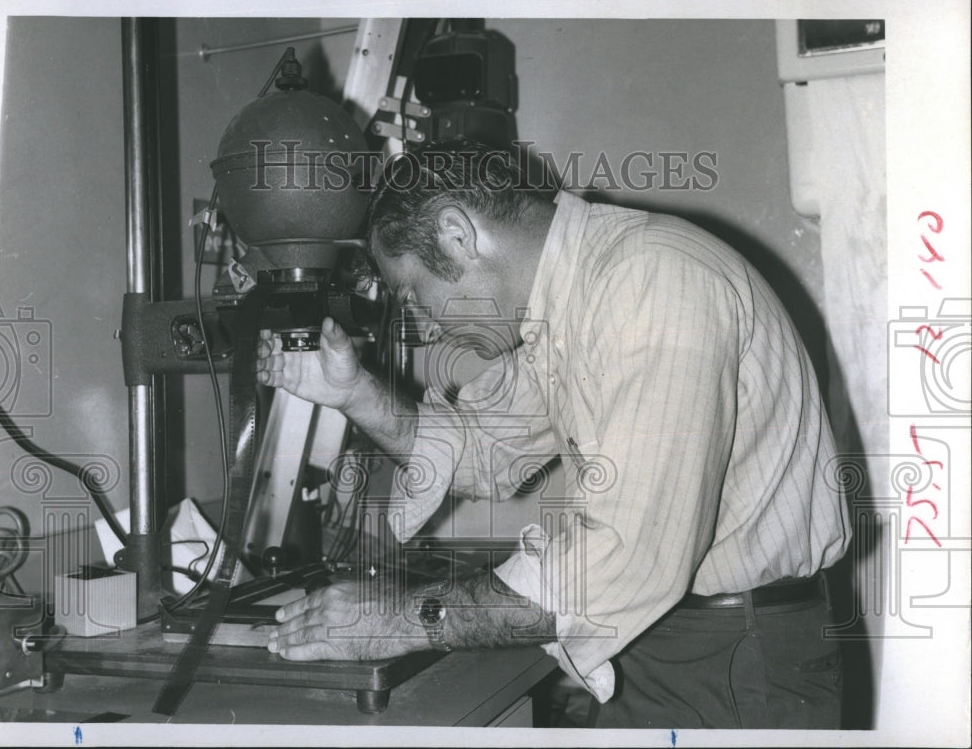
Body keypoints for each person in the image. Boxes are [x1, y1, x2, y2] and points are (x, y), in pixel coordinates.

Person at [255, 140, 852, 728]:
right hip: (665, 639)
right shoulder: (573, 299)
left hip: (733, 655)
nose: (426, 328)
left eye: (413, 295)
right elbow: (481, 449)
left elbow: (625, 554)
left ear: (457, 235)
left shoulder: (652, 281)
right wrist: (353, 392)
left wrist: (397, 620)